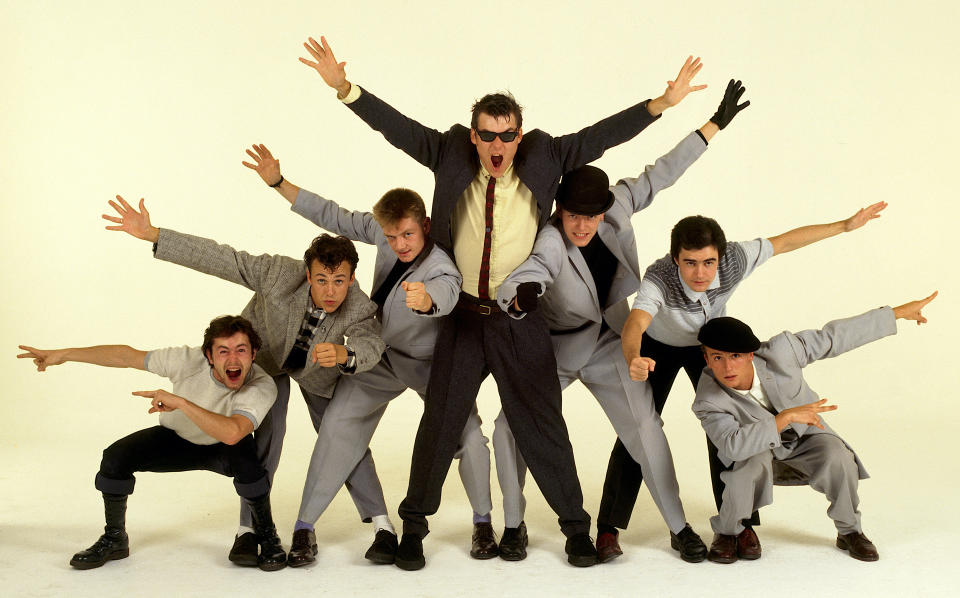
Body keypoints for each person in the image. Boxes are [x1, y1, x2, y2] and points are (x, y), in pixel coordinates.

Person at [298, 34, 706, 570]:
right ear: (474, 136)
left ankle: (576, 531)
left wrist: (662, 104)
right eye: (488, 135)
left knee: (543, 425)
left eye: (508, 135)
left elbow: (601, 137)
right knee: (440, 425)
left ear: (518, 136)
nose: (499, 144)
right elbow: (396, 130)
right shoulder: (449, 152)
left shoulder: (544, 156)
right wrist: (346, 90)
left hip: (519, 317)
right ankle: (414, 528)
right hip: (463, 316)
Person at [492, 80, 749, 563]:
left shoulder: (618, 208)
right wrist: (520, 295)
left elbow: (663, 173)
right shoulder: (550, 240)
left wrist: (712, 127)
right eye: (572, 217)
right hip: (556, 349)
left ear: (605, 209)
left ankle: (679, 527)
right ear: (560, 212)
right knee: (508, 426)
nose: (583, 226)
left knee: (646, 429)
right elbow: (533, 273)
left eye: (591, 216)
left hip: (611, 342)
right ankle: (512, 524)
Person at [240, 144, 495, 564]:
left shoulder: (442, 267)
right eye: (391, 236)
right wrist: (279, 184)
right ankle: (305, 528)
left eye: (407, 235)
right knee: (338, 424)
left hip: (432, 365)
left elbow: (448, 295)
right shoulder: (383, 232)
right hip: (378, 356)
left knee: (467, 436)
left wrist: (426, 299)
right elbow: (334, 216)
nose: (398, 244)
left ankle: (483, 522)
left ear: (425, 227)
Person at [101, 196, 387, 565]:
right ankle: (250, 529)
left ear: (351, 279)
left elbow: (371, 343)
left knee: (343, 435)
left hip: (319, 375)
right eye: (321, 280)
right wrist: (155, 234)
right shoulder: (279, 274)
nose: (330, 291)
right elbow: (224, 259)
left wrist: (347, 355)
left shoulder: (359, 305)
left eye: (339, 281)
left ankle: (382, 524)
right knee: (266, 441)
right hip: (263, 365)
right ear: (306, 273)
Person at [601, 199, 888, 555]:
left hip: (710, 348)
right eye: (689, 263)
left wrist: (844, 225)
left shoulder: (736, 259)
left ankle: (738, 527)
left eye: (708, 262)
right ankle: (608, 528)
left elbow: (783, 242)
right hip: (656, 348)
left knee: (730, 432)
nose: (700, 273)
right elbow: (636, 323)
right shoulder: (659, 278)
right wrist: (633, 357)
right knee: (637, 430)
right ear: (676, 258)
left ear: (720, 256)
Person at [18, 315, 287, 571]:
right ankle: (114, 539)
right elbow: (125, 356)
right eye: (223, 351)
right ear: (209, 356)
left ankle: (267, 536)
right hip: (176, 439)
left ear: (253, 354)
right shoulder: (188, 360)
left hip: (225, 446)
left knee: (250, 464)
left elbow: (232, 433)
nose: (232, 358)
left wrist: (181, 403)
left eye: (241, 350)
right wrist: (64, 355)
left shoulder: (262, 384)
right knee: (114, 458)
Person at [692, 291, 937, 562]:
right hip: (755, 449)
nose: (727, 366)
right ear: (706, 359)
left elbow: (833, 337)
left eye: (735, 355)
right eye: (717, 357)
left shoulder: (783, 352)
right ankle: (728, 532)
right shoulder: (707, 399)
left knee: (837, 455)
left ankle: (850, 531)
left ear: (751, 354)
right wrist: (783, 418)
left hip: (806, 436)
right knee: (750, 461)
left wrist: (896, 313)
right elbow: (732, 445)